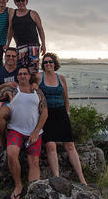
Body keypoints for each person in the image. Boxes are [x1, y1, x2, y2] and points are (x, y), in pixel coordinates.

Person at [0, 66, 48, 199]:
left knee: (34, 161)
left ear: (29, 76)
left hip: (34, 132)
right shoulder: (12, 91)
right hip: (16, 130)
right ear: (18, 77)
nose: (22, 76)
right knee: (11, 154)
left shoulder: (37, 93)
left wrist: (35, 132)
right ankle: (18, 186)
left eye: (25, 73)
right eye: (20, 74)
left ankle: (34, 192)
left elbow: (45, 113)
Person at [35, 53, 87, 185]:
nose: (48, 64)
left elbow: (66, 98)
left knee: (70, 145)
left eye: (50, 62)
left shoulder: (61, 78)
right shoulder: (38, 77)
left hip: (61, 113)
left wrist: (67, 112)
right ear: (43, 64)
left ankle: (82, 180)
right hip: (46, 114)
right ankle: (57, 179)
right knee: (50, 145)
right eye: (45, 62)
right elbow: (27, 79)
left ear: (55, 63)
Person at [5, 0, 46, 74]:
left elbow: (40, 29)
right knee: (21, 70)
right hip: (20, 46)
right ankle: (23, 87)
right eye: (18, 0)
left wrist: (43, 44)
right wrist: (7, 44)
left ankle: (34, 86)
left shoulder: (33, 13)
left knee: (33, 70)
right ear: (15, 2)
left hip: (33, 46)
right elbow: (10, 30)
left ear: (26, 1)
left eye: (22, 0)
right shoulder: (12, 13)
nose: (20, 2)